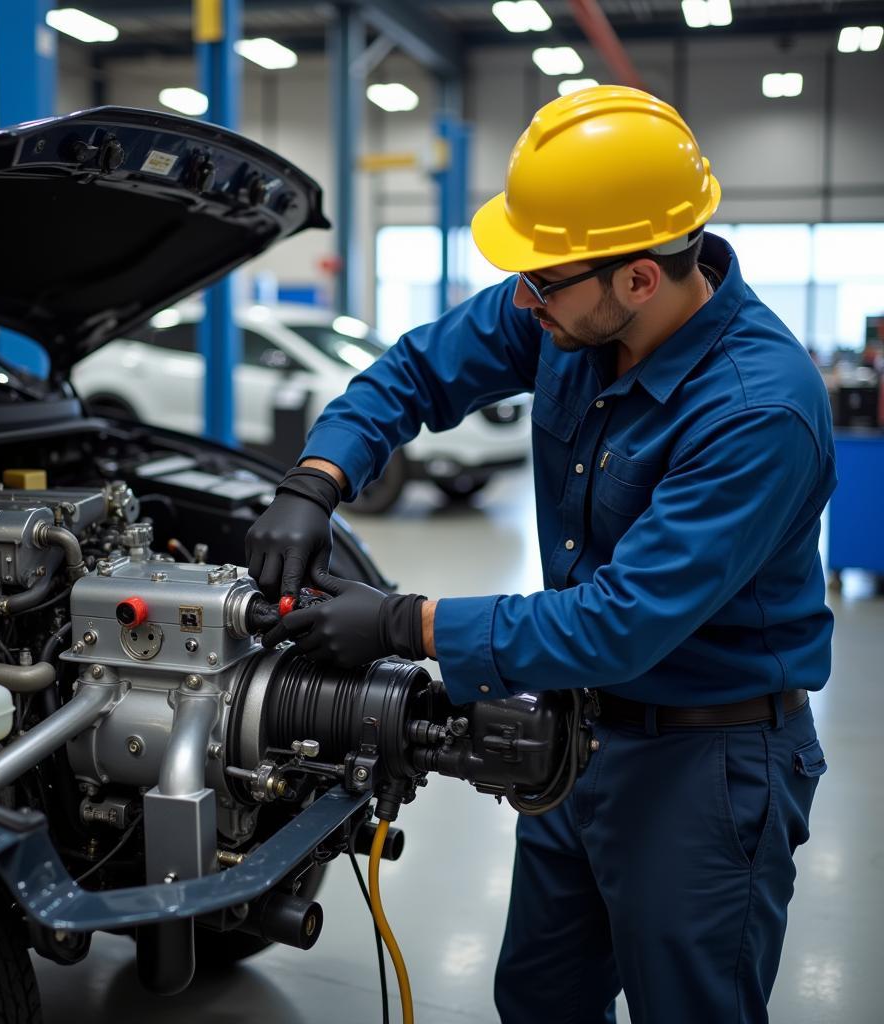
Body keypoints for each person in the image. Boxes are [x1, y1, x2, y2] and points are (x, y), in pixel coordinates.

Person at [246, 86, 835, 1024]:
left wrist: (407, 622)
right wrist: (316, 477)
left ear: (640, 279)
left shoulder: (757, 410)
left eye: (543, 282)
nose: (523, 301)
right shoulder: (574, 299)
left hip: (707, 762)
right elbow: (418, 369)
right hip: (575, 736)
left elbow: (621, 621)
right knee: (540, 997)